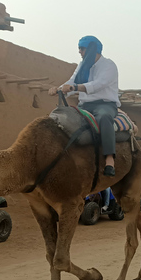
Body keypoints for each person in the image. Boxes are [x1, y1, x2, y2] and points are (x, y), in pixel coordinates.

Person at [48, 36, 119, 177]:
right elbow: (72, 81)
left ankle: (109, 158)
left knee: (104, 117)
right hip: (84, 105)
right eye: (79, 48)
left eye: (82, 48)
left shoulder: (109, 65)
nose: (79, 52)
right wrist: (59, 89)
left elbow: (99, 84)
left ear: (93, 48)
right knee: (61, 118)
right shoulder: (82, 66)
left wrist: (75, 87)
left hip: (104, 104)